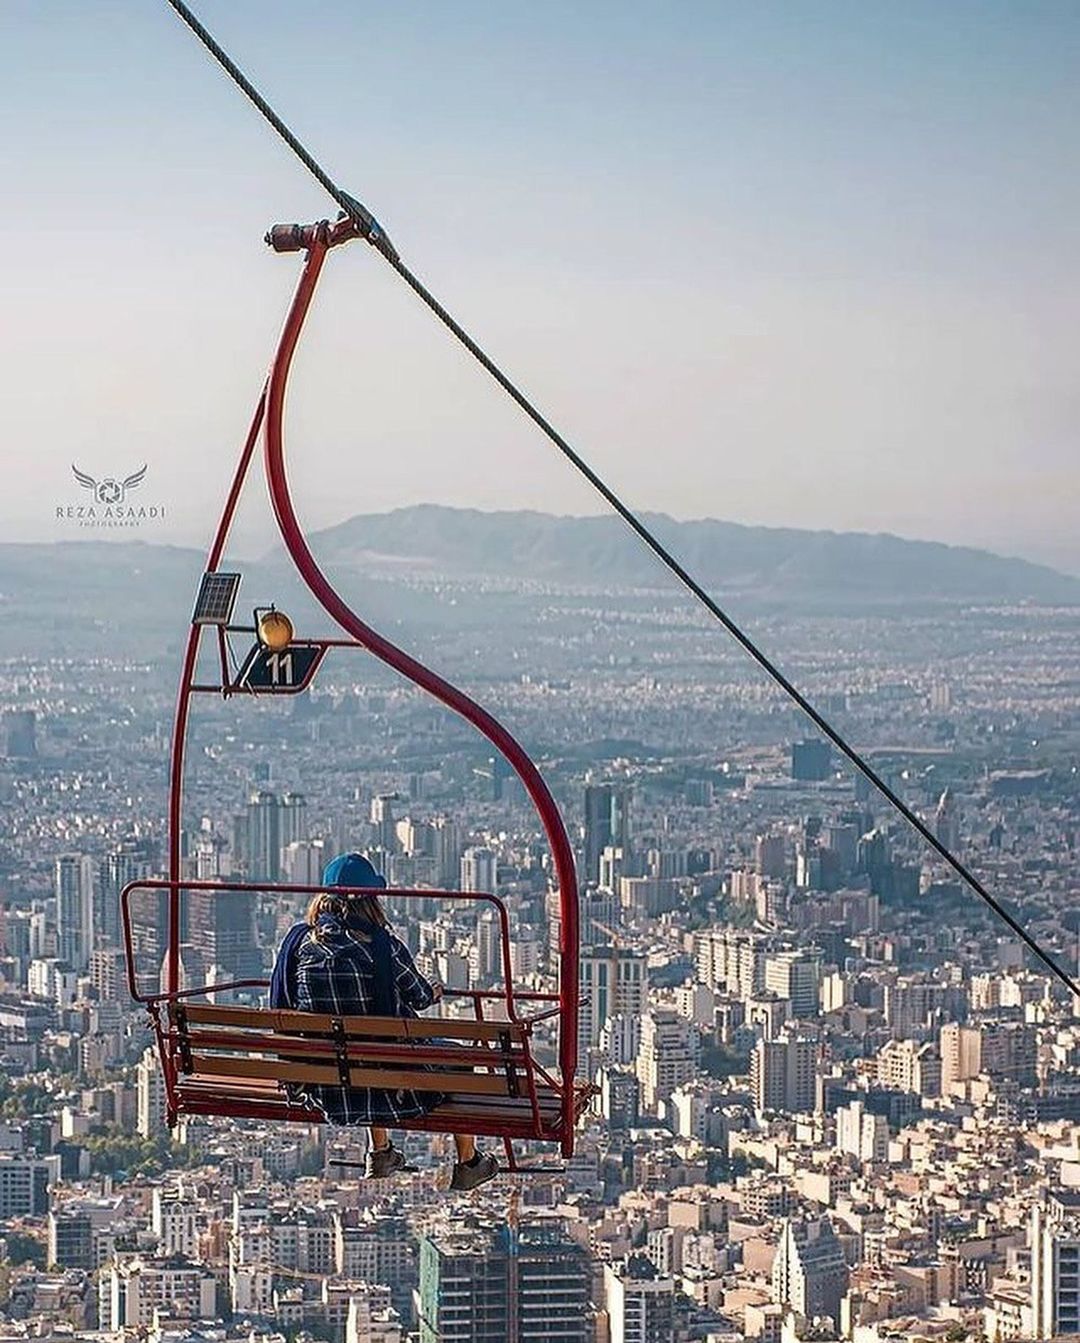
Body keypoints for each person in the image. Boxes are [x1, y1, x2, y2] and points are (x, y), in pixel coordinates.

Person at [270, 852, 498, 1191]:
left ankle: (380, 1152)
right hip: (387, 1085)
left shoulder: (299, 944)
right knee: (459, 1062)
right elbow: (419, 996)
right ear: (370, 901)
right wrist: (433, 992)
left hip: (319, 1083)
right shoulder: (383, 948)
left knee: (362, 1053)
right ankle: (468, 1162)